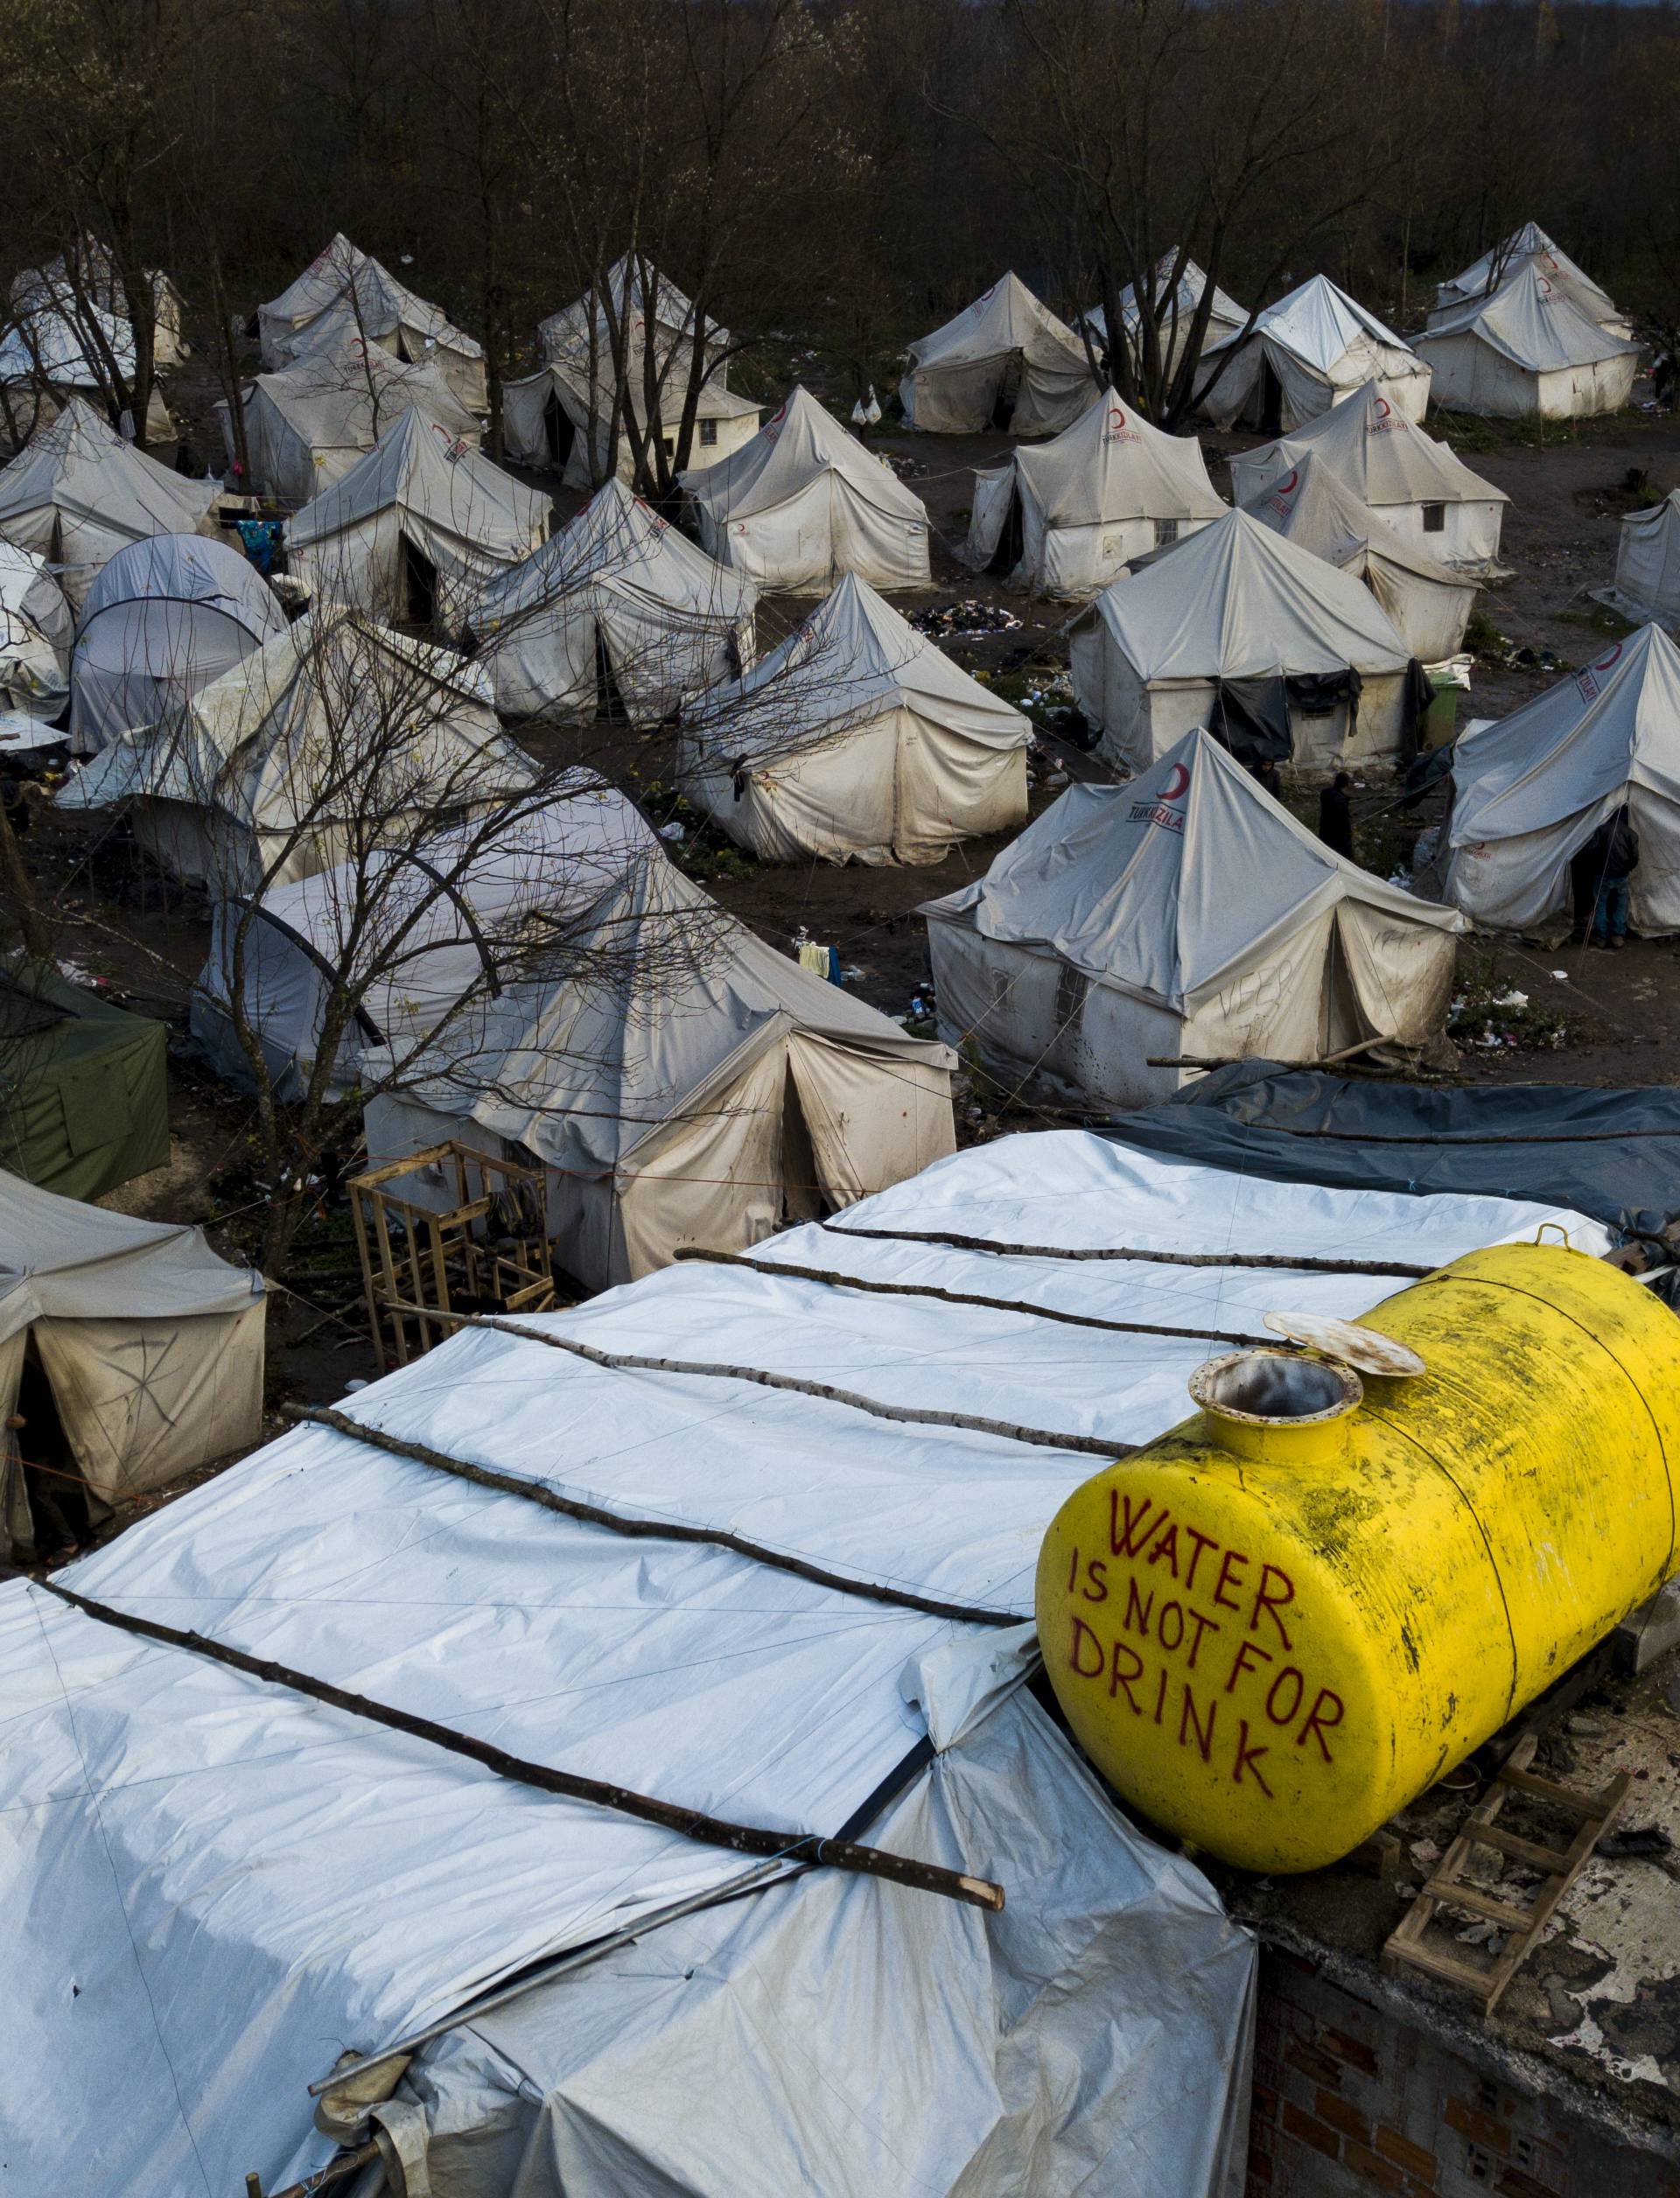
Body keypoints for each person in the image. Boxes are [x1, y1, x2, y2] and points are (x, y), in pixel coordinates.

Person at [1577, 805, 1639, 949]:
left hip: (1603, 876)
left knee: (1600, 904)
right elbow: (1635, 857)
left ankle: (1602, 936)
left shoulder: (1602, 830)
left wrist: (1596, 865)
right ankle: (1618, 935)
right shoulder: (1631, 833)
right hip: (1622, 876)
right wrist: (1627, 868)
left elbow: (1590, 850)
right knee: (1620, 905)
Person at [1317, 771, 1354, 860]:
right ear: (1346, 785)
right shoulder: (1341, 802)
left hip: (1325, 833)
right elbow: (1345, 825)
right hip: (1337, 839)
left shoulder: (1325, 794)